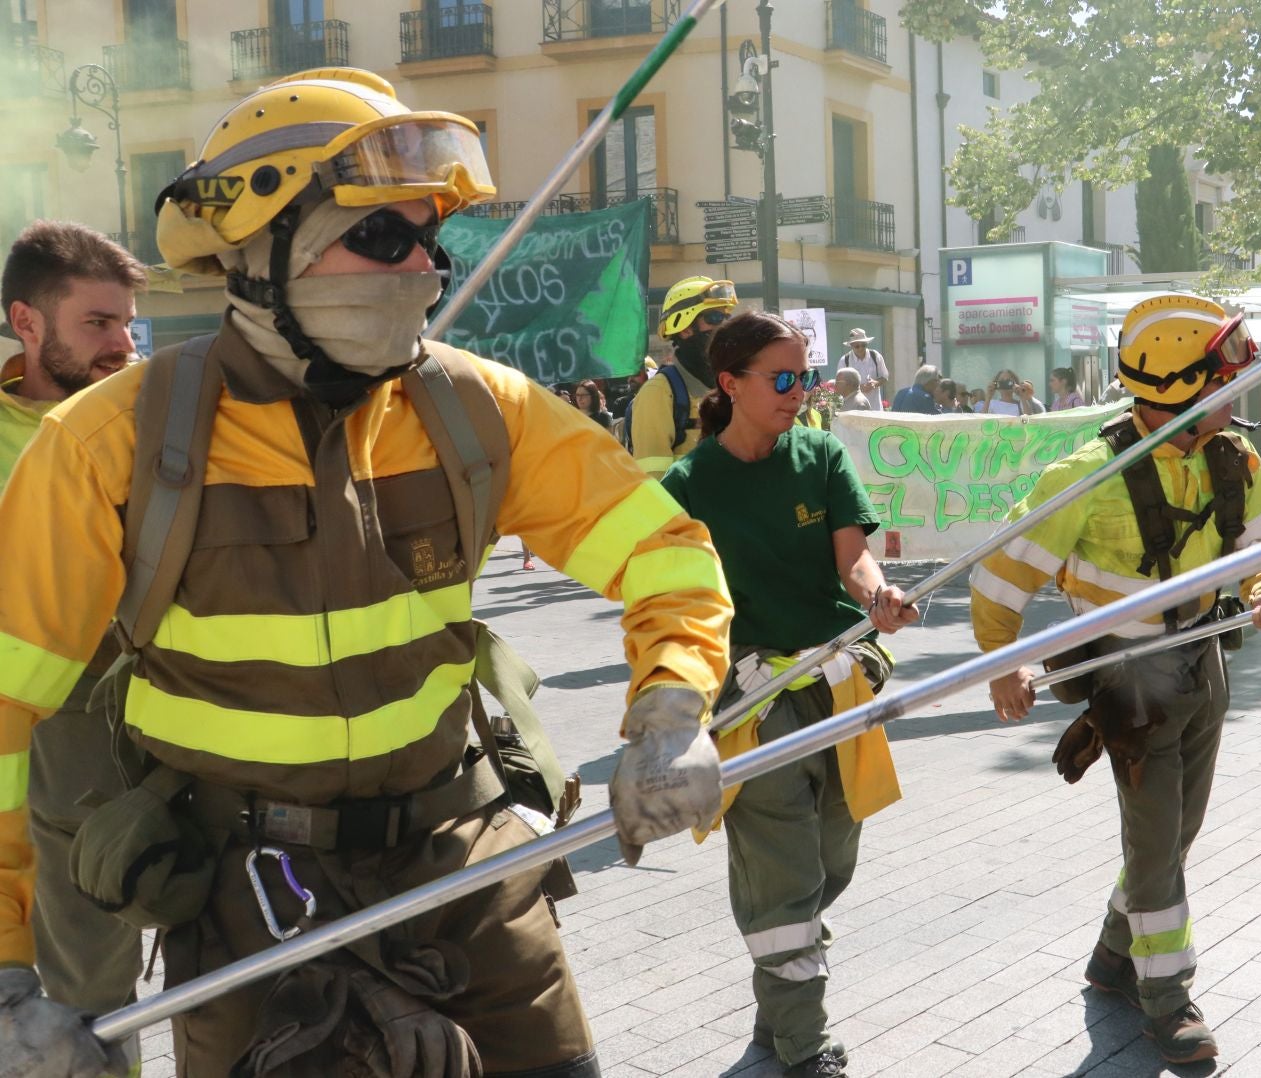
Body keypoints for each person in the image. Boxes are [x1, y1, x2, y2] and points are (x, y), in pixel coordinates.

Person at [0, 69, 734, 1077]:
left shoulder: (482, 408)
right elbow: (6, 715)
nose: (423, 266)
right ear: (259, 249)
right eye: (383, 236)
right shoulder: (107, 444)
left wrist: (672, 707)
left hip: (462, 854)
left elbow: (665, 551)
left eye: (430, 240)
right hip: (240, 888)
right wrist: (7, 972)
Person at [971, 293, 1261, 1064]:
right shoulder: (1087, 474)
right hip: (1129, 684)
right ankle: (1169, 1000)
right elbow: (998, 579)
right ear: (1184, 384)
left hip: (1206, 659)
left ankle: (1115, 959)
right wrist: (1004, 666)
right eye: (1226, 378)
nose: (1239, 393)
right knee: (1156, 847)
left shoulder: (1235, 458)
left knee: (1176, 836)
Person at [660, 312, 911, 1077]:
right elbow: (667, 605)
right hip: (753, 700)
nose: (800, 392)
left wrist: (879, 599)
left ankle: (780, 996)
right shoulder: (686, 487)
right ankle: (805, 1044)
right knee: (787, 874)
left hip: (839, 683)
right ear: (730, 384)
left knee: (831, 863)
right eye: (783, 378)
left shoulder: (823, 455)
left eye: (807, 376)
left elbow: (855, 563)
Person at [0, 222, 147, 1059]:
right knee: (90, 1003)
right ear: (27, 322)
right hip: (52, 763)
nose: (122, 344)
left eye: (127, 323)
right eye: (98, 323)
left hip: (185, 730)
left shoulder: (158, 415)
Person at [631, 274, 736, 478]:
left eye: (726, 317)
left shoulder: (732, 385)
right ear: (685, 328)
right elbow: (654, 484)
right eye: (714, 317)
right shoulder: (658, 393)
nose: (723, 326)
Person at [838, 327, 888, 395]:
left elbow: (884, 376)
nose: (860, 348)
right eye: (857, 346)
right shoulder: (844, 360)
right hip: (854, 404)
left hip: (874, 404)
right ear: (851, 346)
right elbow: (840, 384)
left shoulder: (875, 355)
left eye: (863, 345)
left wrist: (875, 383)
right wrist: (858, 388)